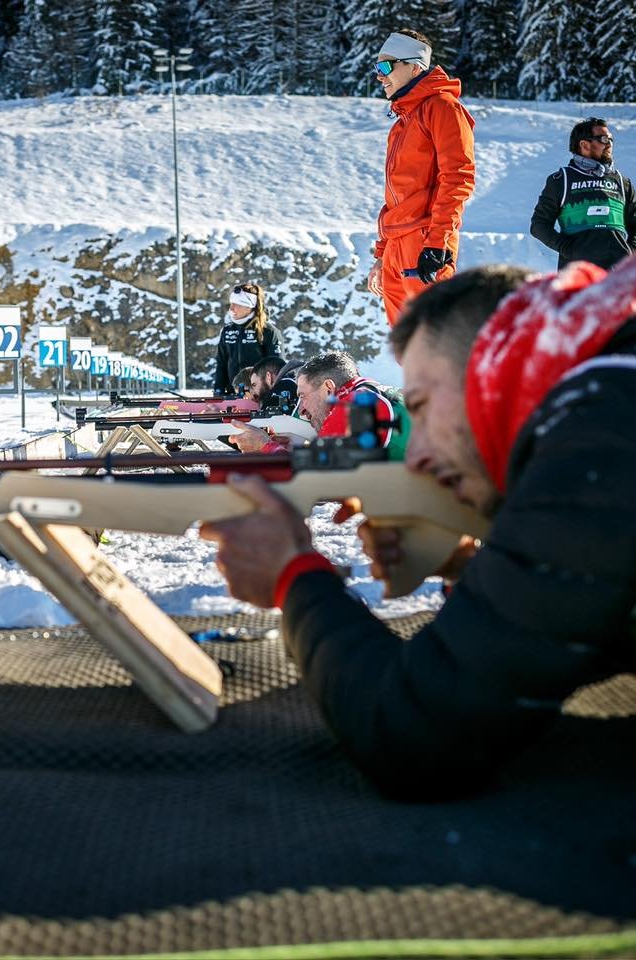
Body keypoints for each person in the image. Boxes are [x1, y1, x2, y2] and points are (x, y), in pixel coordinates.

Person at [202, 260, 636, 798]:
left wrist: (294, 575)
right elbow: (596, 612)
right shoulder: (608, 402)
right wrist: (477, 567)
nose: (422, 451)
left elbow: (416, 735)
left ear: (491, 373)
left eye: (424, 407)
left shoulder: (602, 423)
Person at [365, 29, 476, 327]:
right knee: (407, 348)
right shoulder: (402, 123)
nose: (380, 76)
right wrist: (382, 254)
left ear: (415, 66)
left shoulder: (443, 108)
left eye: (387, 67)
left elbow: (458, 178)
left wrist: (437, 243)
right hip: (397, 246)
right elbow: (396, 197)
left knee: (434, 342)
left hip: (425, 240)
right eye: (377, 68)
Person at [231, 351, 407, 457]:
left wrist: (266, 446)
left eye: (303, 396)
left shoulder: (351, 406)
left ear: (328, 388)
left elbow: (316, 478)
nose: (301, 410)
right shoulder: (367, 391)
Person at [530, 117, 636, 271]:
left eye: (611, 139)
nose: (609, 144)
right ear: (584, 145)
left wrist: (629, 253)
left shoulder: (622, 182)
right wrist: (569, 249)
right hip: (577, 276)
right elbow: (538, 225)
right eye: (604, 139)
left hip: (617, 278)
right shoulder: (562, 180)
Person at [212, 282, 282, 395]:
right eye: (231, 304)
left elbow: (277, 368)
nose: (232, 308)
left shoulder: (268, 331)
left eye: (237, 304)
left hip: (259, 396)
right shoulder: (228, 331)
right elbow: (221, 364)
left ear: (249, 306)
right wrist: (218, 391)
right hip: (233, 395)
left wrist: (271, 396)